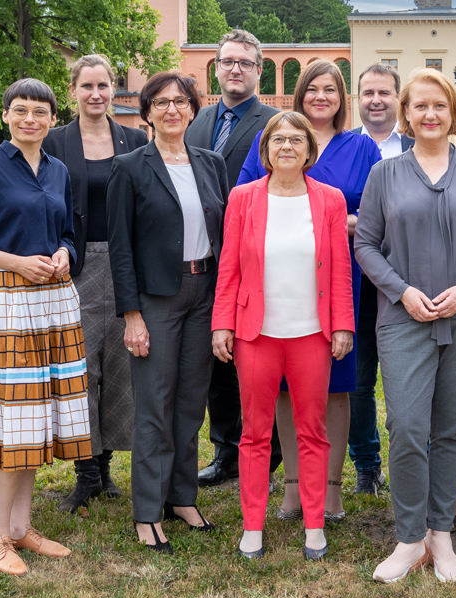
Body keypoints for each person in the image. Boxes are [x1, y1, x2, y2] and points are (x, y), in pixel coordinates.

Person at [355, 68, 456, 583]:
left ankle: (440, 536)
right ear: (406, 113)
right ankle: (408, 538)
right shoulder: (386, 174)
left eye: (439, 106)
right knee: (406, 426)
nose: (429, 114)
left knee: (449, 429)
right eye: (419, 106)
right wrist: (402, 291)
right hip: (405, 319)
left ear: (454, 114)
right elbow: (365, 245)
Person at [0, 78, 91, 575]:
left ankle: (20, 527)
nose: (31, 119)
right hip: (5, 302)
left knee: (37, 420)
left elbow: (71, 231)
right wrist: (13, 262)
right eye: (21, 111)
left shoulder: (58, 171)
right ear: (4, 116)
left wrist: (65, 255)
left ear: (53, 119)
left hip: (53, 303)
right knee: (15, 422)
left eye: (41, 112)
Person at [238, 60, 381, 521]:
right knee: (282, 389)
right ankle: (295, 488)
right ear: (299, 96)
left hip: (341, 278)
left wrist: (343, 224)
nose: (321, 97)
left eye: (331, 90)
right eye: (312, 89)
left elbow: (381, 214)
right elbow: (244, 205)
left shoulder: (362, 148)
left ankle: (332, 487)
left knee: (337, 387)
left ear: (343, 98)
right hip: (276, 286)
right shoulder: (277, 137)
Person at [211, 111, 355, 560]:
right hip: (257, 333)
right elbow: (229, 265)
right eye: (278, 140)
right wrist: (222, 323)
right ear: (266, 150)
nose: (287, 146)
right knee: (255, 433)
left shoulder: (329, 200)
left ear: (309, 150)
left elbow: (340, 270)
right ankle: (252, 526)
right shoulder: (243, 198)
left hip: (311, 332)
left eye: (296, 140)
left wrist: (343, 324)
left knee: (312, 430)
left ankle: (315, 525)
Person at [106, 71, 227, 553]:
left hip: (204, 292)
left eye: (181, 101)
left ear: (194, 108)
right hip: (156, 299)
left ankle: (182, 497)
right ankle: (147, 509)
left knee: (190, 401)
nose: (172, 109)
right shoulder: (130, 167)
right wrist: (131, 315)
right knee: (154, 404)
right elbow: (120, 247)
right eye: (161, 102)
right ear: (148, 112)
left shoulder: (211, 163)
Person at [43, 54, 148, 512]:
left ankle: (106, 467)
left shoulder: (133, 138)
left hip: (125, 263)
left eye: (103, 85)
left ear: (113, 89)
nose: (96, 94)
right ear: (73, 91)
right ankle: (84, 472)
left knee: (121, 368)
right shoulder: (53, 141)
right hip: (74, 266)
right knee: (81, 369)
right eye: (86, 86)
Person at [184, 29, 282, 488]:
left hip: (256, 258)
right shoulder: (197, 121)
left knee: (259, 356)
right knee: (218, 358)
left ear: (258, 70)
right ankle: (226, 449)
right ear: (216, 68)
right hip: (203, 257)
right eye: (228, 62)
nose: (236, 69)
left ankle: (273, 446)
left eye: (245, 62)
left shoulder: (276, 122)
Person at [347, 63, 413, 495]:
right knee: (358, 377)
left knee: (409, 377)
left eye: (384, 93)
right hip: (356, 278)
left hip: (410, 279)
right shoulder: (346, 147)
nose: (375, 100)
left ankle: (412, 462)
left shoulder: (417, 146)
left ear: (397, 98)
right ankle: (367, 463)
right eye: (368, 92)